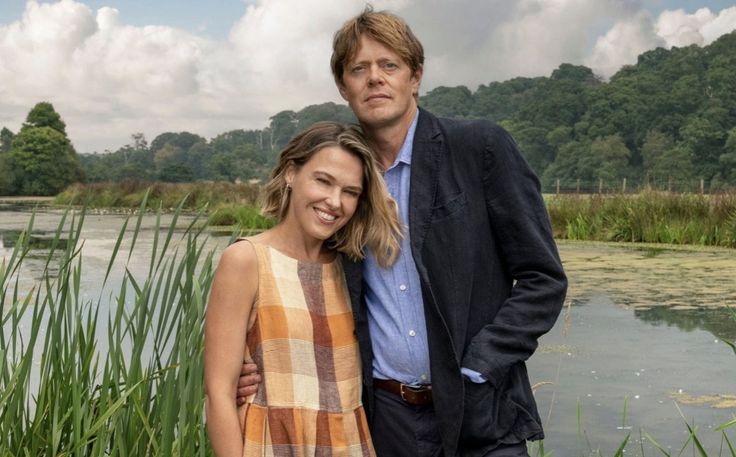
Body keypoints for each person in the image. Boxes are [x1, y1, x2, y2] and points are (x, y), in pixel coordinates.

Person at [239, 7, 568, 456]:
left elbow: (542, 278)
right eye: (359, 69)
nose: (375, 78)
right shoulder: (341, 182)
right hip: (386, 420)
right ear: (343, 86)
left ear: (415, 77)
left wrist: (480, 366)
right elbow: (299, 272)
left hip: (482, 412)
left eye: (389, 65)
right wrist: (251, 357)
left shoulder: (479, 147)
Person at [205, 121, 402, 457]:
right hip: (272, 445)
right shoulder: (246, 260)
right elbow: (219, 393)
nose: (334, 201)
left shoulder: (352, 267)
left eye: (350, 192)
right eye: (323, 181)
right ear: (291, 174)